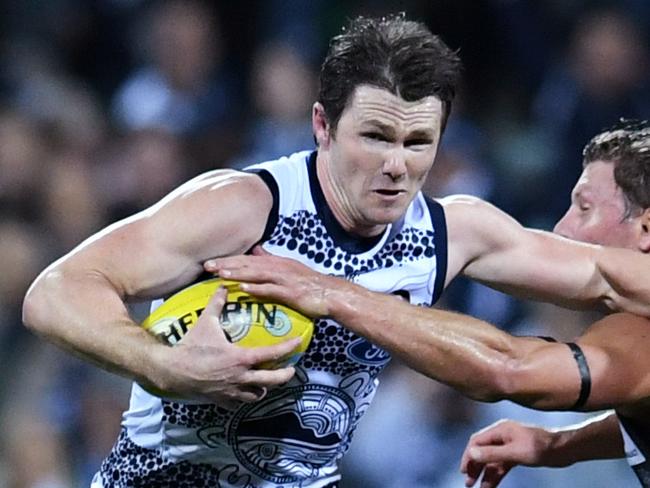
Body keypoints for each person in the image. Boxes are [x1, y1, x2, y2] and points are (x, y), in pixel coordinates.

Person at [21, 12, 650, 486]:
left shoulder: (453, 231)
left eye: (418, 142)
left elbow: (608, 275)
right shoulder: (246, 206)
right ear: (323, 124)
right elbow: (56, 292)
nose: (397, 166)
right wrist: (160, 365)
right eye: (374, 136)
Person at [206, 120, 650, 487]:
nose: (562, 227)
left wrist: (334, 294)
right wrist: (558, 445)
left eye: (584, 208)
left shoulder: (640, 333)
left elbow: (508, 367)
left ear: (646, 230)